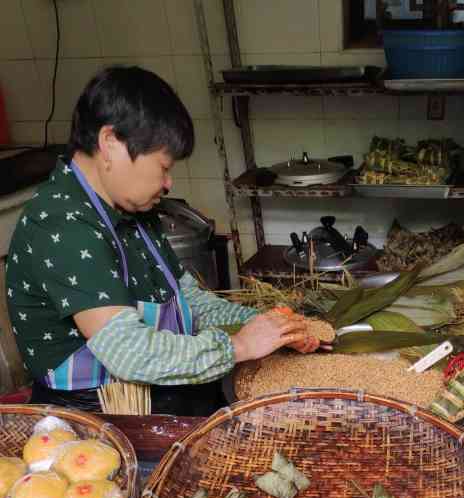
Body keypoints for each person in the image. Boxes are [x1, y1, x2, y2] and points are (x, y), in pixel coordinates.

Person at [6, 66, 316, 415]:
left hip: (162, 395)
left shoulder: (133, 212)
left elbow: (191, 304)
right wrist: (240, 346)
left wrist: (275, 325)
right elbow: (127, 352)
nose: (168, 183)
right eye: (163, 166)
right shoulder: (62, 224)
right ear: (111, 144)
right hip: (99, 416)